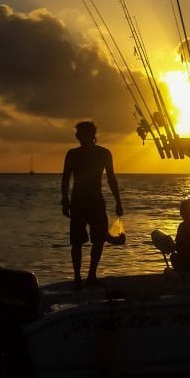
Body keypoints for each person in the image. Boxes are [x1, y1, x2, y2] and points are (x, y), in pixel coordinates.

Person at [60, 120, 124, 291]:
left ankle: (91, 276)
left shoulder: (103, 153)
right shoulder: (72, 154)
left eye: (83, 134)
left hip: (95, 200)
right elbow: (65, 178)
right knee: (77, 242)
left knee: (99, 239)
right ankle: (77, 278)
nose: (80, 137)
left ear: (92, 135)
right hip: (78, 201)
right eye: (78, 134)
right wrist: (64, 200)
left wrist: (118, 201)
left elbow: (111, 178)